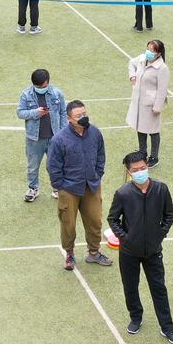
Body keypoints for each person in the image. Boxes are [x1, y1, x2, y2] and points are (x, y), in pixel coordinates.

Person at [107, 151, 173, 344]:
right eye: (135, 170)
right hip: (129, 252)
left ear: (147, 166)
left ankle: (167, 327)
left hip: (153, 251)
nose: (140, 172)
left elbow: (169, 215)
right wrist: (125, 238)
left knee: (159, 288)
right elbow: (113, 219)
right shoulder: (123, 193)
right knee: (130, 287)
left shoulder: (161, 189)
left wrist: (159, 234)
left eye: (143, 168)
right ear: (129, 172)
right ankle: (136, 317)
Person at [48, 101, 110, 271]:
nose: (83, 117)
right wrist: (60, 186)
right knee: (68, 224)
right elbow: (53, 166)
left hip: (92, 186)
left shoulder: (95, 133)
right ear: (69, 119)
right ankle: (69, 253)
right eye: (78, 116)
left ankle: (94, 252)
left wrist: (97, 174)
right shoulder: (59, 139)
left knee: (95, 221)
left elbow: (100, 155)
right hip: (69, 189)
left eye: (84, 113)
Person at [18, 68, 65, 203]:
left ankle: (57, 188)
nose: (40, 88)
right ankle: (33, 189)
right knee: (33, 166)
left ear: (48, 82)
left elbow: (63, 112)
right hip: (34, 139)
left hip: (54, 138)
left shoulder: (57, 93)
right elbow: (20, 113)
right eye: (37, 86)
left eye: (43, 86)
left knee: (54, 165)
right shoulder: (26, 95)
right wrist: (35, 112)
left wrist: (62, 132)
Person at [126, 40, 169, 167]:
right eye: (148, 48)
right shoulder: (142, 59)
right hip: (139, 101)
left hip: (150, 105)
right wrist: (132, 76)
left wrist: (157, 107)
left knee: (153, 131)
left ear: (159, 53)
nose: (149, 52)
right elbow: (131, 63)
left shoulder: (162, 68)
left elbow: (162, 90)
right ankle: (142, 151)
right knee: (140, 127)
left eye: (152, 50)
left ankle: (154, 157)